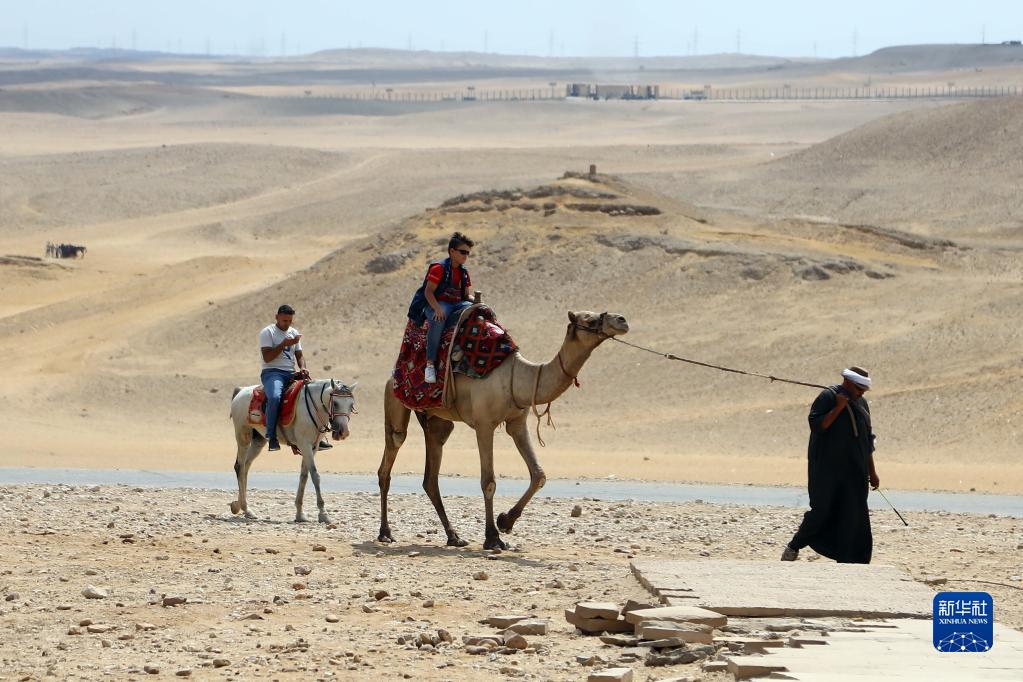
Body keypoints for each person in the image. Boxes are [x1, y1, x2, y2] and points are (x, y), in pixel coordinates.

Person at [782, 366, 880, 564]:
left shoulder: (861, 403)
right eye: (859, 388)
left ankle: (851, 559)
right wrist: (839, 407)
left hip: (854, 471)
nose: (861, 392)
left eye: (864, 389)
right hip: (826, 470)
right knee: (821, 511)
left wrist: (872, 471)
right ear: (847, 382)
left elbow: (867, 441)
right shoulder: (828, 397)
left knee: (853, 513)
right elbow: (818, 426)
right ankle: (794, 546)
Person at [258, 305, 331, 452]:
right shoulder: (268, 332)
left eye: (290, 321)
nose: (287, 324)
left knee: (312, 395)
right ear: (276, 317)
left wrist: (303, 367)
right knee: (275, 397)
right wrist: (283, 344)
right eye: (284, 320)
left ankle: (317, 436)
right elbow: (267, 357)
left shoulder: (294, 332)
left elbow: (299, 355)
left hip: (291, 372)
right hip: (272, 372)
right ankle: (271, 435)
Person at [406, 232, 475, 384]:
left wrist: (478, 303)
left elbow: (465, 296)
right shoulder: (439, 268)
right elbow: (428, 292)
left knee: (476, 312)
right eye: (463, 252)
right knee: (439, 318)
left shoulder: (464, 273)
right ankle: (430, 364)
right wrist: (437, 308)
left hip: (456, 304)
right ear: (452, 251)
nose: (466, 256)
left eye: (468, 253)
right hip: (436, 303)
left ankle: (462, 350)